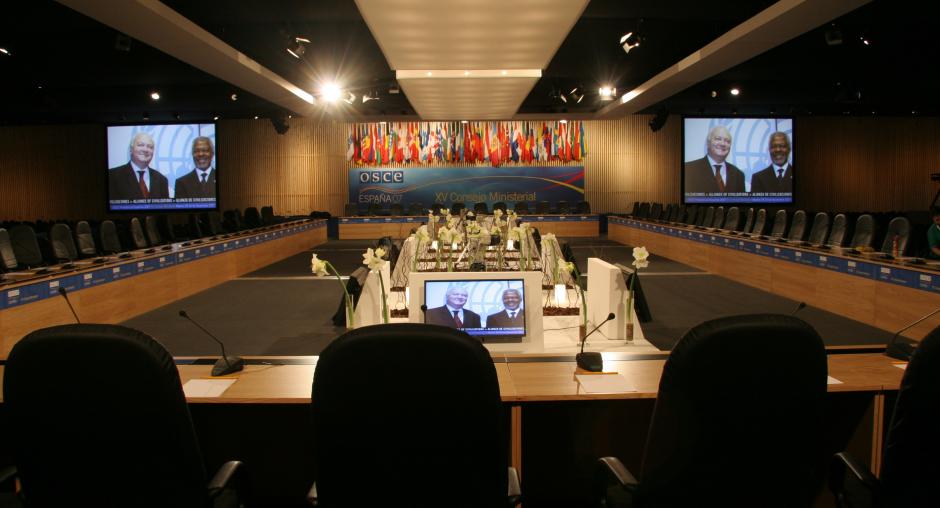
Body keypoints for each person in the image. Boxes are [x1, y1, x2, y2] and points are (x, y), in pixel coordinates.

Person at [684, 125, 745, 194]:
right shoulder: (688, 170)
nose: (722, 144)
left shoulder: (738, 175)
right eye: (718, 139)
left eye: (727, 141)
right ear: (708, 143)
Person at [108, 132, 169, 200]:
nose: (145, 150)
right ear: (131, 149)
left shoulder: (162, 180)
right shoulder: (112, 176)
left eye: (150, 147)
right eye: (140, 145)